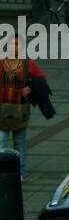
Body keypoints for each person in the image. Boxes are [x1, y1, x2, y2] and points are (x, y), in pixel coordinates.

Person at [0, 39, 48, 179]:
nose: (14, 47)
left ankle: (19, 171)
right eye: (11, 44)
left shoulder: (28, 65)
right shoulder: (1, 64)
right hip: (2, 109)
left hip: (20, 109)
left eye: (17, 44)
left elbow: (41, 79)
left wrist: (30, 87)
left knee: (19, 141)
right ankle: (3, 169)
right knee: (2, 140)